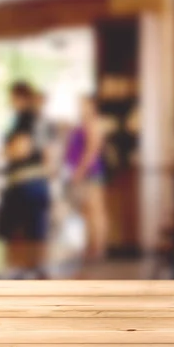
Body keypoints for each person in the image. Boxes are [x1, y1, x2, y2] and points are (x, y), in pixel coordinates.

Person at [0, 82, 51, 278]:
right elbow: (47, 156)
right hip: (37, 183)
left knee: (14, 237)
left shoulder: (25, 118)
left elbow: (22, 149)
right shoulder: (39, 119)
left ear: (19, 97)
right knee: (35, 240)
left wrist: (4, 152)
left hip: (24, 184)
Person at [65, 96, 108, 263]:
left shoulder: (94, 124)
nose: (81, 108)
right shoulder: (81, 124)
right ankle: (91, 245)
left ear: (92, 106)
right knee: (87, 211)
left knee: (96, 210)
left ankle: (98, 247)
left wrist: (80, 172)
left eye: (84, 104)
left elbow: (92, 151)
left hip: (91, 174)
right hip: (82, 174)